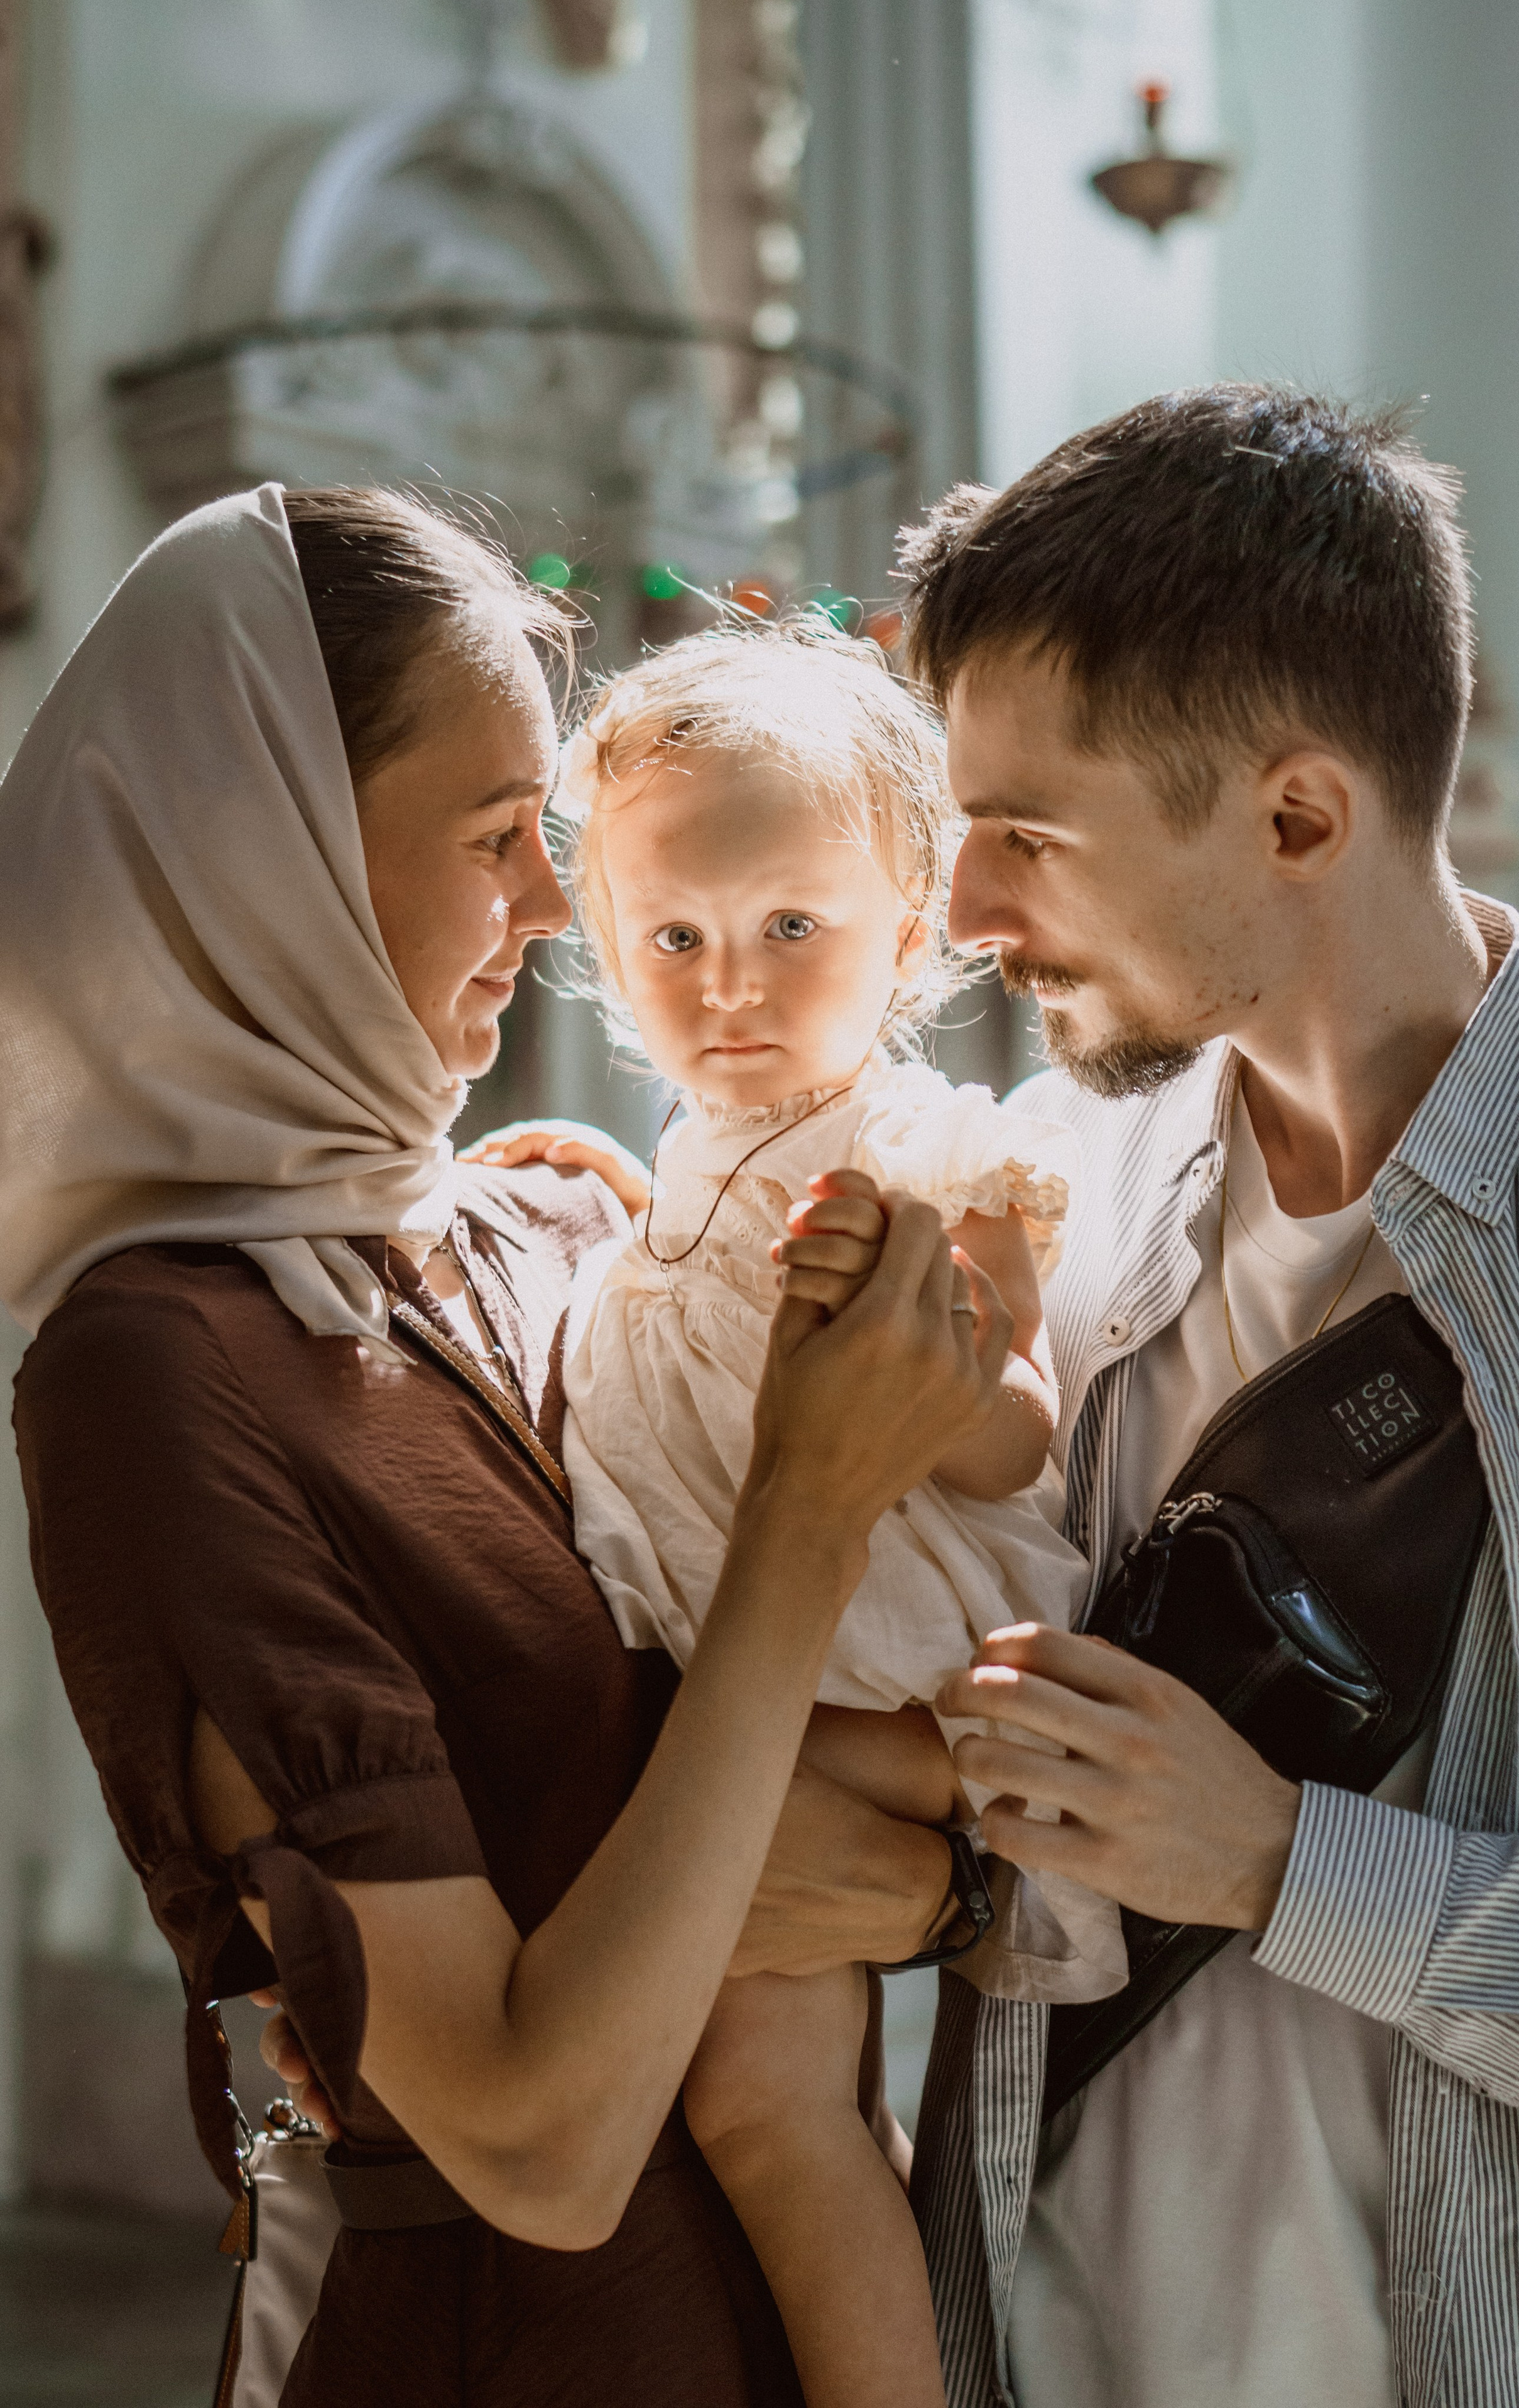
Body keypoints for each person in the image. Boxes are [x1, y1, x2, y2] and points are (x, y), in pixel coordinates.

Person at [1, 483, 1011, 2407]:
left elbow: (836, 1856)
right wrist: (813, 1500)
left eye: (546, 839)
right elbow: (543, 2141)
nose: (559, 912)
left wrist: (926, 1888)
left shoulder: (548, 1233)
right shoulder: (157, 1368)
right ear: (265, 852)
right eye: (494, 840)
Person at [816, 385, 1519, 2408]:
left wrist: (1278, 1863)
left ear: (1296, 818)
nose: (968, 917)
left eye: (1029, 835)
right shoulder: (1048, 1192)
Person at [502, 624, 1119, 2408]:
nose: (731, 982)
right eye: (674, 938)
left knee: (767, 2112)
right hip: (765, 1697)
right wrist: (596, 1209)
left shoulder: (932, 1158)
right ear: (609, 953)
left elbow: (1012, 1445)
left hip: (892, 1685)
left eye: (794, 925)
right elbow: (673, 1326)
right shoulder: (682, 1167)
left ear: (911, 926)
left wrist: (910, 1306)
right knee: (754, 2104)